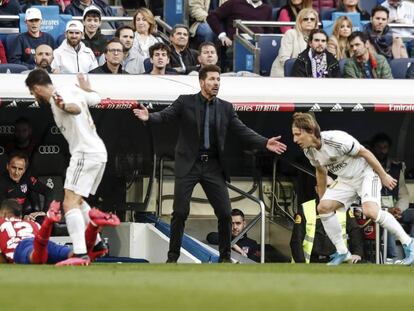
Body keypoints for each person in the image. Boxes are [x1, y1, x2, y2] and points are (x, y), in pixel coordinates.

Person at [133, 64, 287, 263]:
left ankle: (224, 258)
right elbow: (165, 116)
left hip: (213, 166)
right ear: (201, 81)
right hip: (189, 165)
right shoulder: (185, 102)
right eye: (212, 79)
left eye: (218, 79)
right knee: (180, 212)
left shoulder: (226, 107)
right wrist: (149, 117)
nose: (216, 83)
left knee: (224, 213)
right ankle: (172, 258)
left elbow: (243, 131)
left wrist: (265, 142)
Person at [291, 112, 414, 265]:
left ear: (310, 131)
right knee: (322, 208)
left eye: (297, 135)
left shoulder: (336, 139)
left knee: (370, 211)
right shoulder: (309, 151)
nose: (295, 139)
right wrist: (323, 199)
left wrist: (383, 175)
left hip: (366, 174)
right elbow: (321, 172)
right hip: (346, 180)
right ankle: (342, 252)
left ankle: (409, 243)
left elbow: (366, 153)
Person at [25, 69, 107, 266]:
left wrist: (66, 106)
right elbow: (96, 99)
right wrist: (88, 88)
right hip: (97, 152)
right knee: (77, 201)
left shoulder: (57, 96)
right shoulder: (74, 89)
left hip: (85, 154)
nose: (34, 97)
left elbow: (75, 108)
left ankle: (80, 253)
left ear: (36, 87)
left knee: (69, 203)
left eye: (32, 93)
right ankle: (96, 245)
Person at [0, 199, 120, 265]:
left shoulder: (1, 223)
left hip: (22, 247)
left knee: (37, 259)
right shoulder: (32, 223)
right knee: (77, 255)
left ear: (3, 214)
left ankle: (48, 221)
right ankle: (93, 226)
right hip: (44, 243)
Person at [290, 177, 365, 263]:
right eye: (323, 186)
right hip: (312, 262)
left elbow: (355, 231)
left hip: (338, 261)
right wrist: (301, 265)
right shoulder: (305, 209)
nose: (327, 190)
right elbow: (296, 240)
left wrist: (357, 253)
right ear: (316, 189)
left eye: (330, 186)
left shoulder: (343, 207)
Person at [370, 133, 413, 262]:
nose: (382, 150)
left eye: (385, 147)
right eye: (379, 147)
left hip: (395, 209)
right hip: (376, 210)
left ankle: (411, 249)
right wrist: (388, 210)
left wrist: (398, 209)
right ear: (373, 148)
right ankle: (392, 258)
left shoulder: (397, 167)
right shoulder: (367, 166)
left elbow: (403, 194)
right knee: (387, 219)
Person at [271, 8, 319, 77]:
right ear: (300, 21)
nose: (309, 21)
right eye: (305, 19)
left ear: (315, 23)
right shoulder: (291, 34)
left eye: (312, 19)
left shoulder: (318, 37)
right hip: (285, 74)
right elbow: (283, 59)